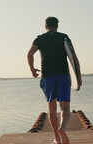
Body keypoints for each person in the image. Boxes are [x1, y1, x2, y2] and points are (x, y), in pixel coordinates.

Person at [27, 16, 82, 144]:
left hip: (48, 77)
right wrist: (78, 77)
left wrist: (32, 70)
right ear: (57, 26)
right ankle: (62, 129)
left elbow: (29, 54)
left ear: (45, 26)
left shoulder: (39, 39)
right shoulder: (64, 37)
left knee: (52, 109)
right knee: (65, 108)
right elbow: (73, 57)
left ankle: (56, 137)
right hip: (63, 75)